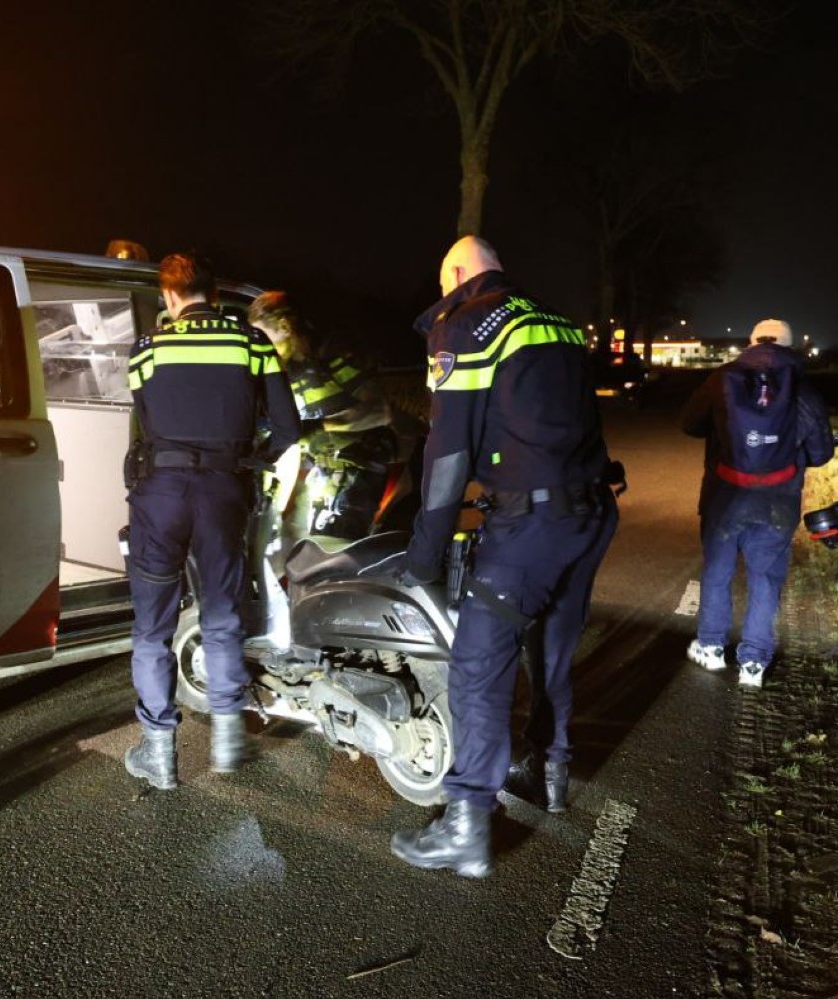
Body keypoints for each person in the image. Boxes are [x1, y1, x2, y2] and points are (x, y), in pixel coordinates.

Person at [390, 236, 618, 879]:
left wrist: (425, 556)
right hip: (591, 511)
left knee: (476, 665)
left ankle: (466, 825)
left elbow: (447, 456)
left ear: (458, 274)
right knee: (551, 645)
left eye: (443, 284)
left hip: (530, 525)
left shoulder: (465, 326)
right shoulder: (556, 321)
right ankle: (549, 771)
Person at [121, 253, 301, 789]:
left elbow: (145, 419)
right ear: (215, 296)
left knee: (151, 628)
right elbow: (288, 429)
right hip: (223, 492)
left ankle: (160, 755)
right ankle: (227, 736)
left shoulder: (147, 349)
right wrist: (249, 458)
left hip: (161, 495)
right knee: (221, 611)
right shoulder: (252, 344)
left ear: (170, 297)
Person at [681, 318, 832, 689]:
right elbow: (820, 453)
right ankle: (753, 663)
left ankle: (712, 647)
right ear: (790, 346)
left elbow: (689, 423)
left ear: (752, 342)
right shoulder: (803, 388)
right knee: (765, 578)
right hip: (778, 500)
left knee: (717, 571)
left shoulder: (723, 378)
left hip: (724, 495)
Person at [246, 291, 403, 540]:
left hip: (360, 465)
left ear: (285, 326)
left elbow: (379, 411)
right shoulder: (284, 369)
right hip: (321, 468)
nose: (263, 348)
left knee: (333, 544)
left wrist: (319, 427)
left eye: (265, 338)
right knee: (292, 541)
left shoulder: (332, 352)